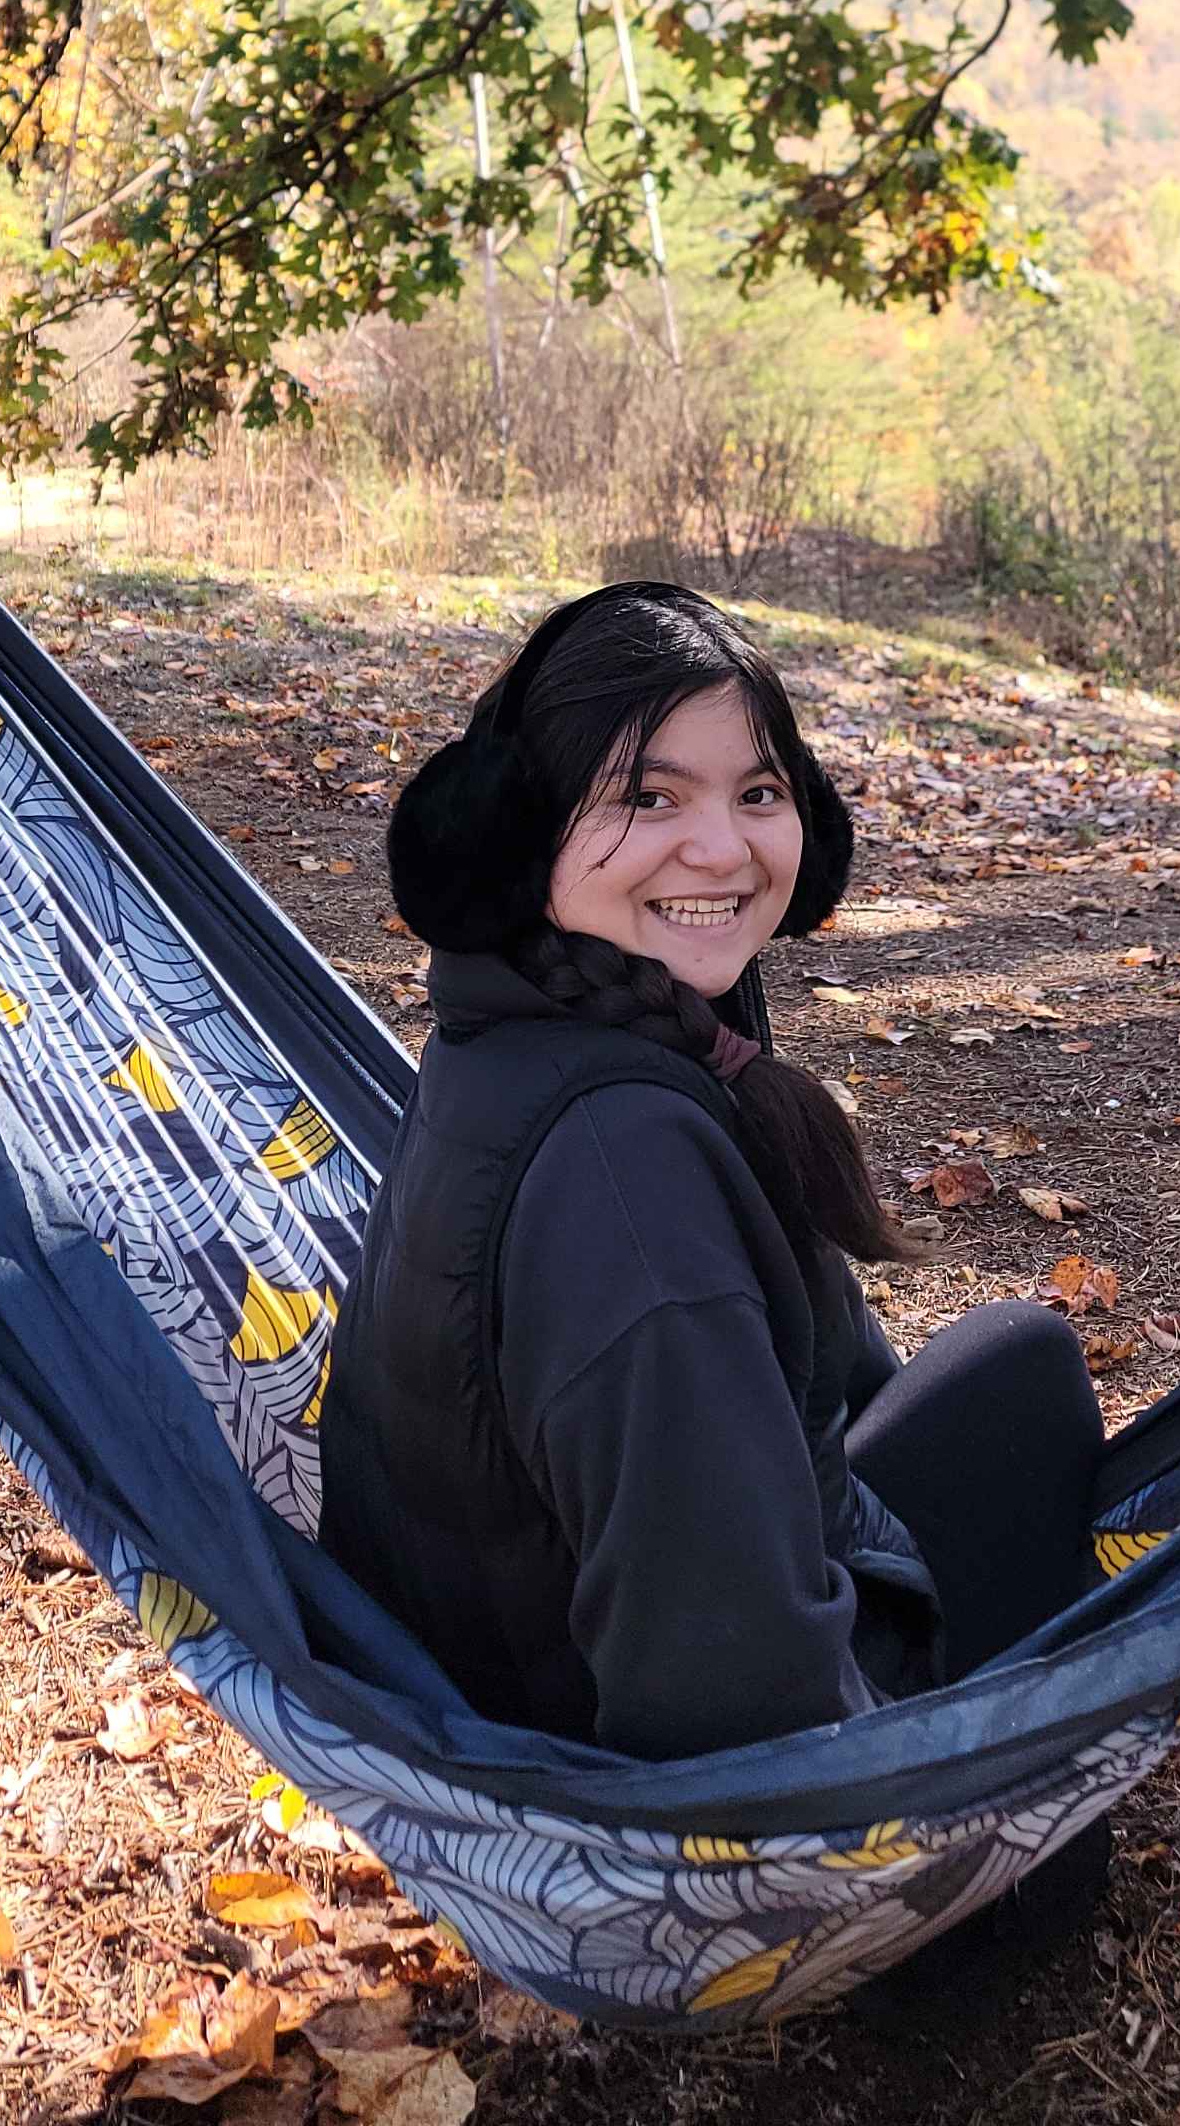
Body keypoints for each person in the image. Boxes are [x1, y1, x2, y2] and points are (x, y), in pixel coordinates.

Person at [317, 581, 1107, 1762]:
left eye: (758, 793)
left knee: (1014, 1365)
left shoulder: (513, 1031)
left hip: (519, 1670)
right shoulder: (627, 1184)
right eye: (648, 796)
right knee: (1026, 1396)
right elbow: (734, 1705)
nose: (723, 848)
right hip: (708, 1819)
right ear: (520, 832)